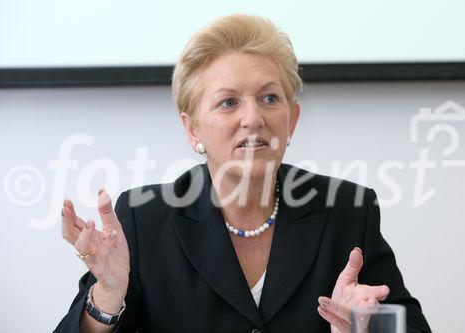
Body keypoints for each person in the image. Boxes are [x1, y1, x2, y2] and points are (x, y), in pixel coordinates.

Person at [54, 14, 431, 333]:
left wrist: (367, 325)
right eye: (228, 102)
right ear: (193, 129)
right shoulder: (144, 219)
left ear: (291, 120)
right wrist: (106, 297)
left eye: (270, 98)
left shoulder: (349, 211)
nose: (253, 118)